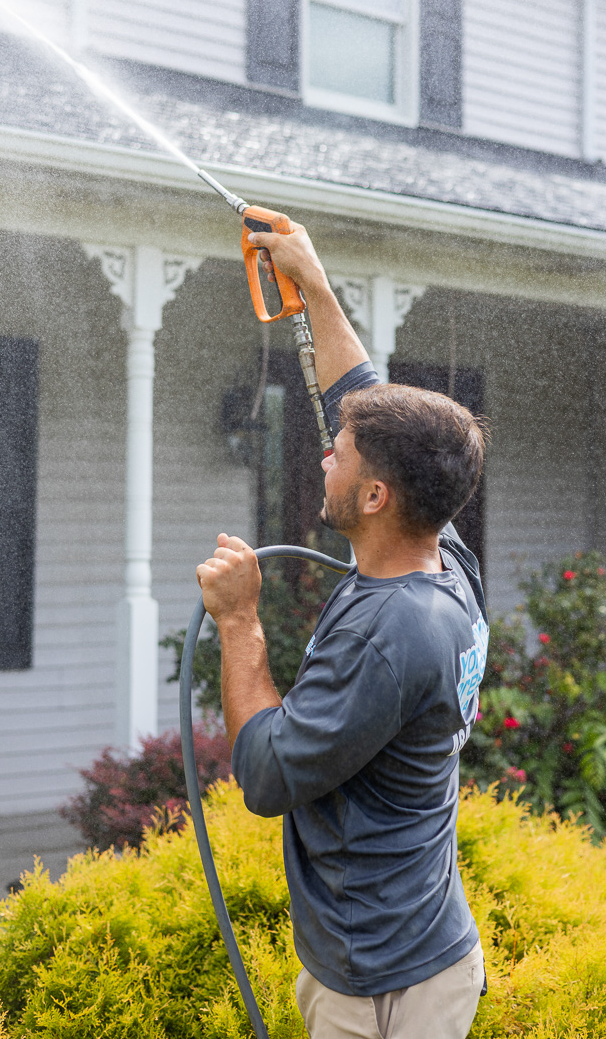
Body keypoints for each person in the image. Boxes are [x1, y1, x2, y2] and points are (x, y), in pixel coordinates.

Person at [196, 220, 489, 1039]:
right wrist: (313, 283)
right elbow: (354, 390)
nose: (325, 455)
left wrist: (241, 620)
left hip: (383, 990)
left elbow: (263, 773)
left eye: (341, 455)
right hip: (421, 948)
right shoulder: (444, 558)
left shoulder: (387, 640)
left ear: (374, 499)